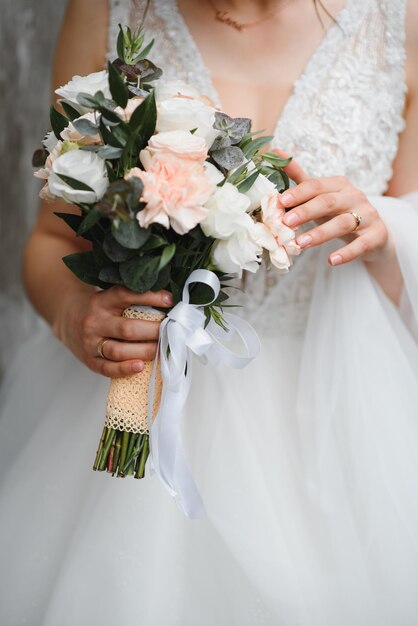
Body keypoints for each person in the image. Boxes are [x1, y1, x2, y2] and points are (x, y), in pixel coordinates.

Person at [1, 0, 418, 624]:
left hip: (340, 419)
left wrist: (384, 238)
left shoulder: (402, 17)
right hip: (135, 403)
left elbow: (404, 281)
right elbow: (50, 243)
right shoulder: (108, 10)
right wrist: (75, 317)